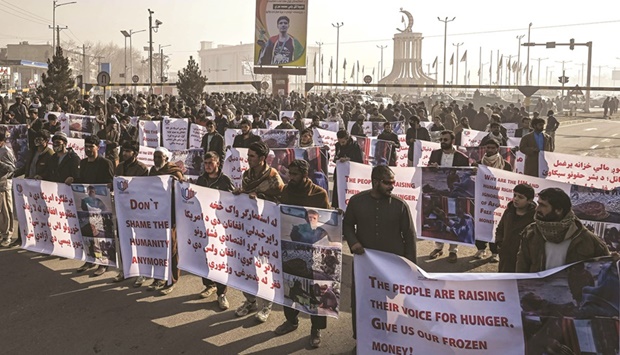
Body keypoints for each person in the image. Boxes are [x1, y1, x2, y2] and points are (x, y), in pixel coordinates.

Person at [344, 165, 416, 339]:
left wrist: (411, 269)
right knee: (361, 301)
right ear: (375, 182)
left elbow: (409, 236)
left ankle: (385, 340)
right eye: (387, 183)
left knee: (389, 303)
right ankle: (361, 339)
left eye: (393, 182)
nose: (392, 186)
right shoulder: (357, 201)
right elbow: (347, 225)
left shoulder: (400, 205)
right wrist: (353, 243)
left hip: (392, 266)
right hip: (364, 264)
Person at [274, 159, 331, 348]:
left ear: (305, 175)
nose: (291, 178)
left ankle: (316, 329)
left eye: (295, 174)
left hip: (313, 249)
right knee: (291, 285)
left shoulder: (318, 194)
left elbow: (327, 223)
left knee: (316, 289)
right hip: (290, 248)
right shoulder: (287, 191)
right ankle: (291, 320)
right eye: (290, 174)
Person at [233, 141, 284, 322]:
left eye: (252, 156)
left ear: (262, 159)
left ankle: (266, 305)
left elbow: (281, 200)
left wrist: (261, 197)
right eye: (248, 155)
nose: (248, 159)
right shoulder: (247, 175)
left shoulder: (273, 176)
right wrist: (241, 194)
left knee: (264, 267)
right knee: (246, 265)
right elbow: (247, 193)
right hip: (248, 228)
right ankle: (250, 301)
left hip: (266, 231)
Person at [516, 188, 609, 272]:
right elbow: (521, 270)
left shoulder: (589, 241)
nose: (537, 209)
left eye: (542, 205)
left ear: (558, 210)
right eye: (538, 203)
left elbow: (605, 273)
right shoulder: (531, 233)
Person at [196, 151, 235, 310]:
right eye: (205, 163)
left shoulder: (225, 180)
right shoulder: (201, 179)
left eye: (211, 163)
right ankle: (208, 285)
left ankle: (222, 293)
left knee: (218, 259)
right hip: (203, 224)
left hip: (219, 226)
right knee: (204, 257)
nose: (208, 166)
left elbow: (233, 201)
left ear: (218, 163)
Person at [73, 135, 115, 276]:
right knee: (88, 233)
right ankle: (90, 259)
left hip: (101, 206)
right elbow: (82, 180)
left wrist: (107, 186)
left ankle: (104, 263)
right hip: (86, 206)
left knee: (102, 235)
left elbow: (110, 182)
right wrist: (73, 180)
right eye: (87, 147)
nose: (88, 149)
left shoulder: (105, 163)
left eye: (91, 146)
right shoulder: (83, 163)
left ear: (98, 147)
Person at [146, 147, 184, 294]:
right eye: (154, 156)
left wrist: (178, 182)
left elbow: (182, 187)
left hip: (171, 216)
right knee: (157, 247)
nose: (156, 160)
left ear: (166, 159)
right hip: (156, 215)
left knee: (172, 249)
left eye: (159, 157)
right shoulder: (153, 171)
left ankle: (171, 281)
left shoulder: (174, 171)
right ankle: (158, 278)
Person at [428, 130, 469, 263]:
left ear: (452, 141)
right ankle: (438, 248)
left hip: (454, 194)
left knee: (454, 219)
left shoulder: (462, 158)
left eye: (445, 140)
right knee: (439, 218)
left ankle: (453, 250)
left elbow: (464, 177)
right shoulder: (435, 154)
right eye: (441, 140)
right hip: (438, 192)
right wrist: (431, 167)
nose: (442, 142)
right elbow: (429, 172)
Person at [113, 140, 149, 283]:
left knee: (139, 242)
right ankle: (125, 270)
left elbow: (145, 190)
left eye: (128, 151)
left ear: (135, 153)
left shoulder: (142, 169)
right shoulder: (120, 167)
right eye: (124, 150)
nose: (124, 153)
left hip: (137, 211)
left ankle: (142, 272)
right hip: (122, 210)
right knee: (123, 241)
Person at [495, 184, 536, 272]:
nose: (516, 199)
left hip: (522, 261)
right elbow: (500, 229)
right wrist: (499, 244)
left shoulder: (534, 218)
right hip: (505, 258)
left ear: (529, 200)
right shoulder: (509, 212)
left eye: (520, 197)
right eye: (515, 195)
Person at [0, 133, 16, 247]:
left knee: (6, 210)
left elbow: (12, 168)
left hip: (4, 184)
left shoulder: (6, 151)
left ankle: (7, 235)